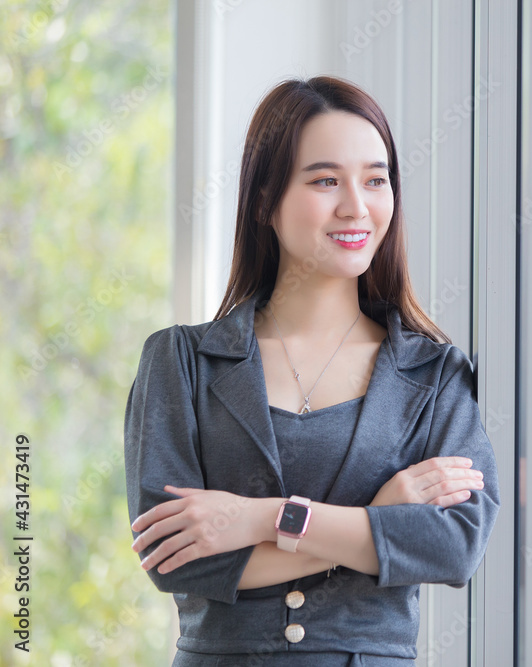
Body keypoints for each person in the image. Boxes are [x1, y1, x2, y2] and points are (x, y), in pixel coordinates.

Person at [124, 76, 500, 666]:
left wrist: (259, 518)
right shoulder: (181, 364)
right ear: (264, 200)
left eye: (376, 180)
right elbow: (176, 558)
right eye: (326, 180)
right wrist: (376, 524)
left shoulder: (434, 375)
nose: (357, 205)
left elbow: (454, 545)